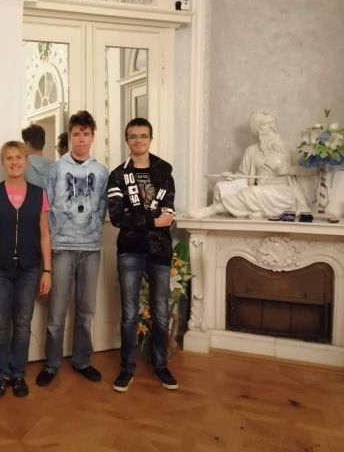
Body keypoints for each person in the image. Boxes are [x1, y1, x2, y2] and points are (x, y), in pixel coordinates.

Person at [36, 110, 108, 387]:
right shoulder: (55, 170)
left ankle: (82, 360)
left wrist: (93, 229)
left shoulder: (101, 172)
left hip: (90, 249)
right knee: (56, 312)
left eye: (85, 134)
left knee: (86, 310)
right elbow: (45, 208)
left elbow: (102, 207)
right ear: (70, 137)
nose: (81, 139)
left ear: (92, 137)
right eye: (76, 134)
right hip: (62, 247)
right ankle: (51, 364)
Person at [0, 141, 51, 398]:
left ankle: (18, 373)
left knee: (22, 324)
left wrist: (47, 271)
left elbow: (44, 235)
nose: (15, 162)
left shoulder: (39, 194)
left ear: (26, 161)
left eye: (19, 157)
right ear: (3, 163)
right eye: (9, 158)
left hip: (29, 270)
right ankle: (2, 374)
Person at [107, 117, 178, 392]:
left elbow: (168, 214)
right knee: (129, 314)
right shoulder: (117, 176)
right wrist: (152, 220)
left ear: (151, 139)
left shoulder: (164, 172)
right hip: (130, 251)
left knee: (160, 312)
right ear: (127, 140)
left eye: (143, 136)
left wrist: (141, 218)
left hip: (159, 250)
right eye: (133, 136)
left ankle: (161, 365)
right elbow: (117, 217)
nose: (138, 140)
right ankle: (127, 368)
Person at [191, 110, 309, 219]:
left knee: (253, 192)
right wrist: (232, 176)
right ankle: (259, 211)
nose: (271, 127)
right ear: (259, 130)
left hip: (282, 192)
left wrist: (289, 170)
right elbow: (244, 176)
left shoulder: (288, 147)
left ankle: (213, 209)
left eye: (272, 124)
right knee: (221, 186)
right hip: (260, 189)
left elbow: (307, 170)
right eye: (265, 125)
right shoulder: (252, 151)